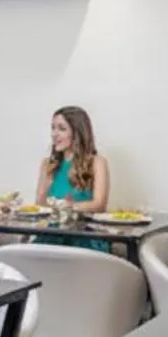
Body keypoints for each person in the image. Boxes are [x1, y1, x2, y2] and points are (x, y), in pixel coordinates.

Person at [31, 105, 114, 252]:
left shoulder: (97, 162)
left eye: (61, 129)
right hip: (52, 235)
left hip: (86, 237)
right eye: (53, 128)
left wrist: (69, 207)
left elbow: (99, 204)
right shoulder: (47, 164)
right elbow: (40, 204)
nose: (54, 134)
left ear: (77, 133)